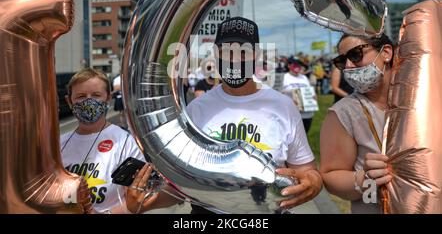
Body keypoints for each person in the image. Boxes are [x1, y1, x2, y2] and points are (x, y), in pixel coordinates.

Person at [187, 16, 322, 213]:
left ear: (256, 55)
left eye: (243, 52)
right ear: (215, 54)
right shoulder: (197, 108)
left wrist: (313, 183)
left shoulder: (283, 106)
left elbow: (307, 171)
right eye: (226, 51)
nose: (233, 60)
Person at [61, 68, 178, 213]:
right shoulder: (59, 145)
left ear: (108, 98)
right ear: (69, 100)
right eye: (81, 96)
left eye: (96, 95)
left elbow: (141, 198)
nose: (88, 101)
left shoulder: (126, 143)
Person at [319, 33, 394, 214]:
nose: (348, 66)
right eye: (342, 61)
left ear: (386, 53)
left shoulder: (424, 97)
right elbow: (330, 176)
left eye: (355, 55)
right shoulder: (343, 113)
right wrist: (365, 180)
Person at [282, 61, 317, 134]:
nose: (297, 67)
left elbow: (309, 91)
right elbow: (279, 92)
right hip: (291, 114)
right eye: (295, 64)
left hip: (307, 114)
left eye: (299, 65)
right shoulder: (284, 77)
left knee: (304, 136)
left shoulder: (304, 77)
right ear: (289, 65)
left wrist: (313, 96)